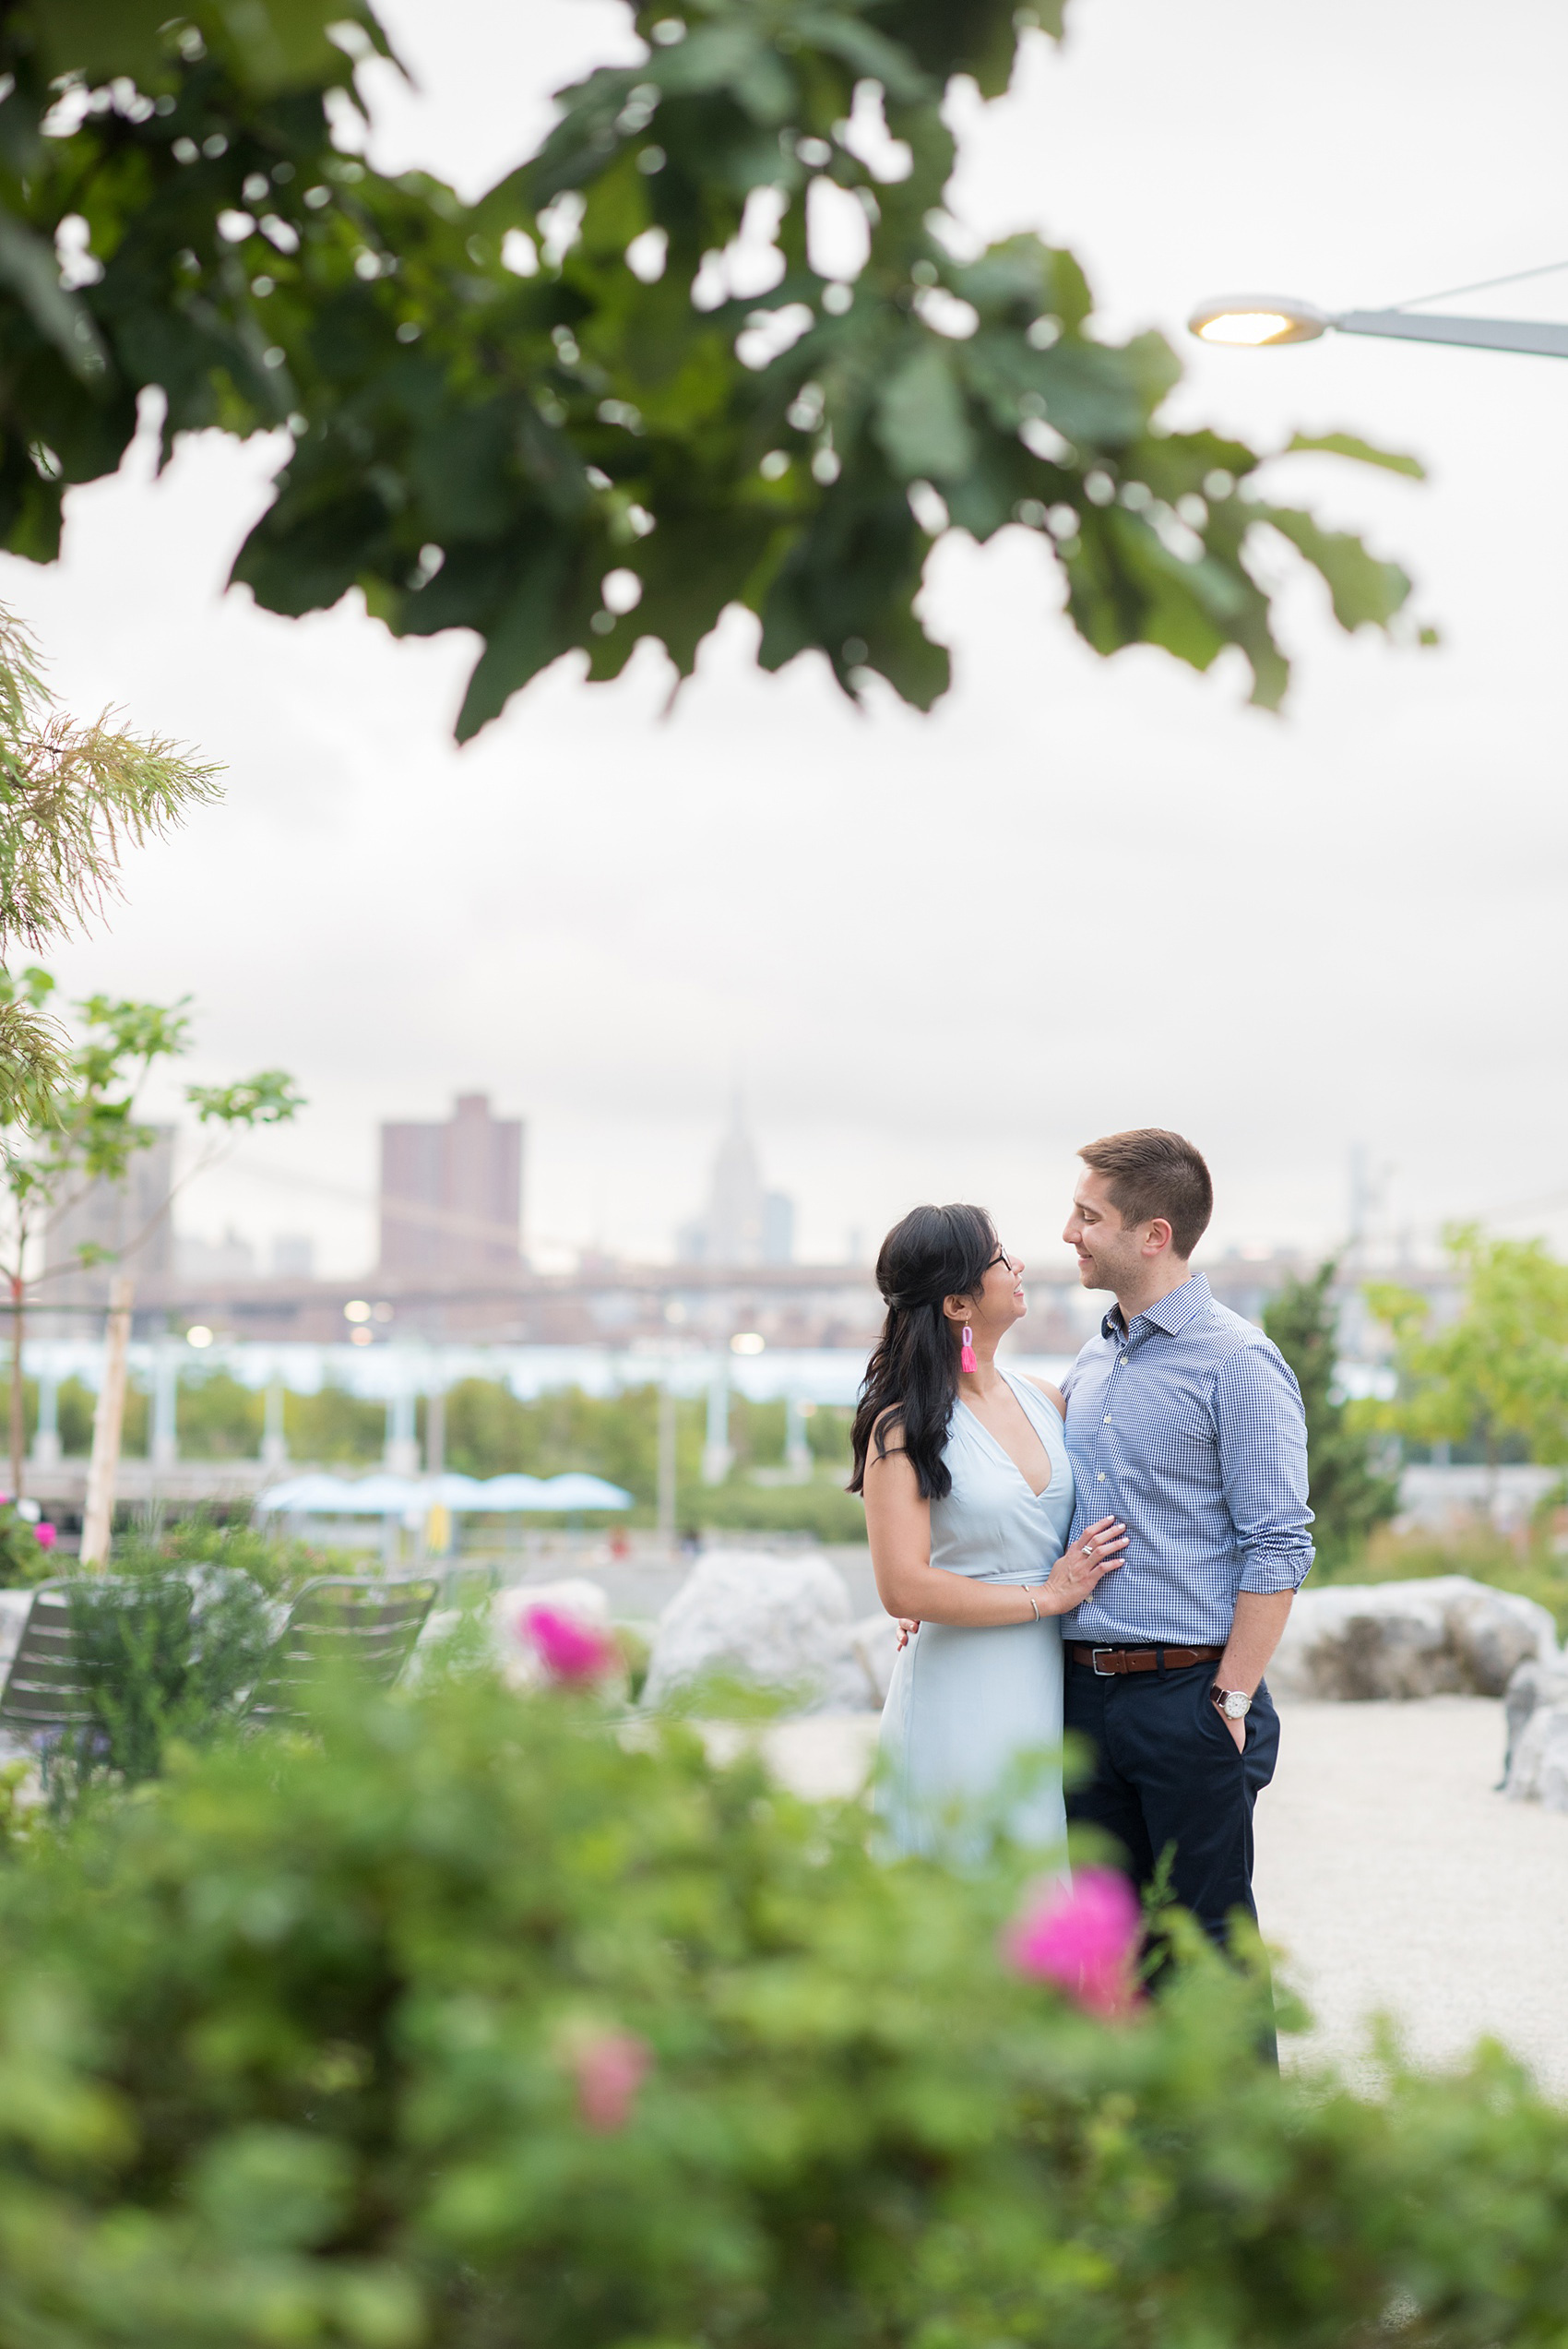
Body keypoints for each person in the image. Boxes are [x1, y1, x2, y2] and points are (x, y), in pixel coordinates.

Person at [1058, 1128, 1313, 1952]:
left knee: (1205, 1952)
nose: (1069, 1232)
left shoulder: (1239, 1362)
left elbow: (1278, 1543)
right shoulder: (1091, 1363)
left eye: (1087, 1215)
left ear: (1153, 1234)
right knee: (1112, 1954)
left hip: (1190, 1697)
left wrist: (1231, 1701)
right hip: (1083, 1701)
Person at [852, 1203, 1128, 1859]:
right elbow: (902, 1587)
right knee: (961, 1868)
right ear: (957, 1304)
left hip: (1046, 1675)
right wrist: (1045, 1597)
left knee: (1035, 1865)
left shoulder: (1047, 1399)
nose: (1019, 1266)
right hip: (960, 1680)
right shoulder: (902, 1428)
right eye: (1001, 1259)